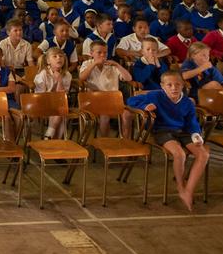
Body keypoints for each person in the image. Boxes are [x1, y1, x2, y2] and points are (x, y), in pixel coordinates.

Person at [127, 72, 209, 210]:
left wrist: (196, 135)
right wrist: (145, 106)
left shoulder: (187, 102)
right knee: (179, 154)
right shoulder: (156, 95)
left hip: (183, 132)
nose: (173, 88)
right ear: (162, 86)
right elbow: (131, 100)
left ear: (182, 85)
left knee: (203, 154)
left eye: (177, 84)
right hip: (162, 131)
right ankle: (180, 185)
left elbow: (192, 122)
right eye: (169, 85)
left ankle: (188, 190)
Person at [78, 40, 132, 136]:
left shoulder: (112, 66)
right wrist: (94, 64)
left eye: (105, 52)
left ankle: (126, 141)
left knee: (127, 114)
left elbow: (128, 78)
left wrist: (117, 65)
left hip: (113, 100)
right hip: (94, 100)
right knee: (105, 116)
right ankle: (105, 142)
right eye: (99, 52)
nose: (103, 55)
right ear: (91, 53)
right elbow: (82, 78)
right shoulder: (87, 63)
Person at [34, 47, 72, 138]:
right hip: (42, 102)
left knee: (61, 112)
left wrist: (59, 81)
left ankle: (51, 137)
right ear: (48, 61)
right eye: (54, 56)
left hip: (59, 104)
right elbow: (41, 96)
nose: (58, 58)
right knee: (60, 111)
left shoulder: (67, 75)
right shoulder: (43, 74)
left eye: (61, 56)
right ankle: (52, 137)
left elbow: (62, 96)